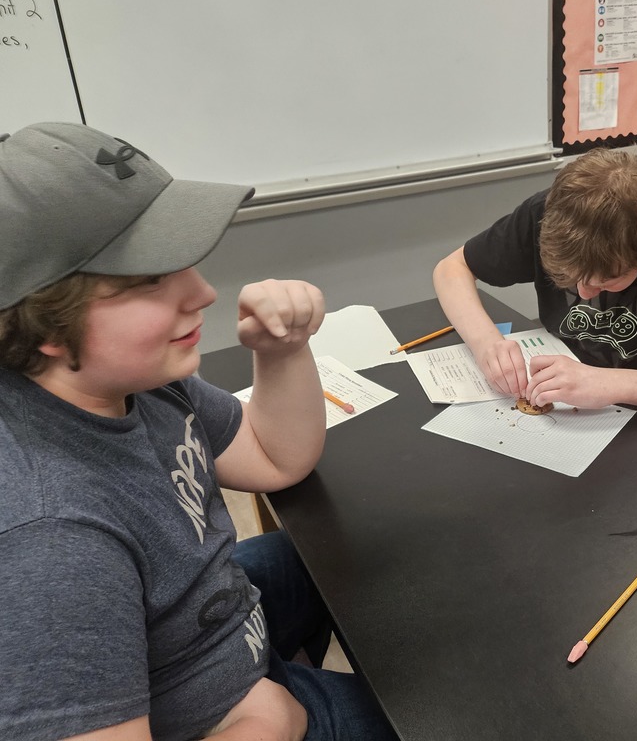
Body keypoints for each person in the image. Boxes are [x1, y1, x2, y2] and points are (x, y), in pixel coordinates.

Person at [0, 123, 395, 741]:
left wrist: (284, 351)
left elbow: (273, 458)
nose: (204, 293)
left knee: (344, 553)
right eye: (147, 280)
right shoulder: (53, 540)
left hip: (207, 628)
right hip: (239, 717)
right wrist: (260, 724)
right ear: (46, 325)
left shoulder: (138, 382)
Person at [432, 148, 637, 410]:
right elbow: (451, 269)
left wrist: (611, 384)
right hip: (567, 397)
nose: (584, 292)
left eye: (606, 280)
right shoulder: (550, 213)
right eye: (569, 278)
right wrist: (486, 343)